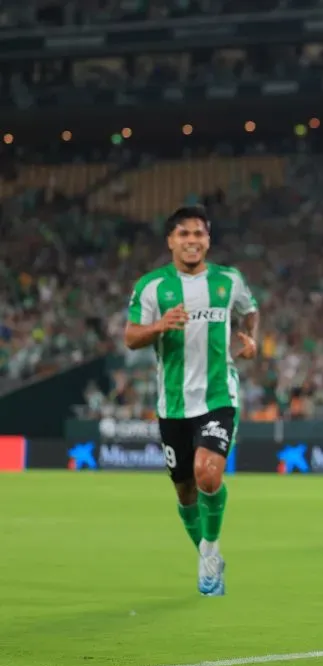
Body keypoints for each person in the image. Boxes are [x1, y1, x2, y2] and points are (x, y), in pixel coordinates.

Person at [123, 205, 258, 596]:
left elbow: (250, 311)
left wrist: (249, 337)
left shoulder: (229, 281)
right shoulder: (152, 287)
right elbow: (131, 337)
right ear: (171, 241)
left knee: (208, 474)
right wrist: (160, 326)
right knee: (184, 490)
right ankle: (205, 553)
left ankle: (211, 550)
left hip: (218, 394)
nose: (192, 241)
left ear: (208, 240)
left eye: (199, 234)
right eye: (184, 234)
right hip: (173, 404)